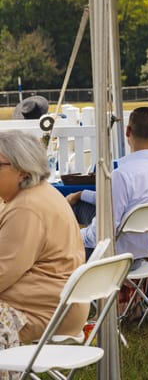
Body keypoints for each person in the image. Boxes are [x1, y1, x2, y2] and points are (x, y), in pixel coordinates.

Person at [0, 131, 87, 347]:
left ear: (22, 170)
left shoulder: (26, 207)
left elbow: (3, 272)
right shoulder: (40, 194)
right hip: (60, 305)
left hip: (42, 312)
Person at [67, 107, 148, 259]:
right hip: (142, 251)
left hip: (112, 256)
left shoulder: (122, 175)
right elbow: (122, 201)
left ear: (127, 131)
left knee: (70, 219)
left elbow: (100, 234)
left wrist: (68, 237)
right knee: (81, 204)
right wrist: (81, 194)